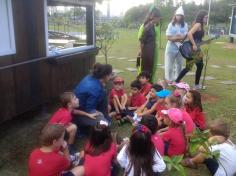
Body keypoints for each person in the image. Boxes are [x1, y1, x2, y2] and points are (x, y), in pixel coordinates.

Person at [176, 10, 208, 90]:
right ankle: (196, 86)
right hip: (194, 49)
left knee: (188, 67)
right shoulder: (198, 24)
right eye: (206, 17)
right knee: (200, 66)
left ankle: (176, 81)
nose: (207, 19)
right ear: (202, 17)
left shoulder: (200, 25)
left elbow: (197, 38)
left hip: (195, 48)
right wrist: (194, 44)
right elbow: (189, 33)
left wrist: (204, 42)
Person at [73, 63, 112, 128]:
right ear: (105, 76)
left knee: (104, 94)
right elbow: (89, 110)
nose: (111, 77)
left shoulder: (90, 77)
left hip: (83, 107)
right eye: (110, 74)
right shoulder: (95, 88)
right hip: (78, 114)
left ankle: (105, 116)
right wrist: (99, 113)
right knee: (105, 124)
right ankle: (103, 120)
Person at [165, 6, 188, 84]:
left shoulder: (185, 25)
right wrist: (178, 37)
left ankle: (177, 79)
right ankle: (169, 79)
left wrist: (175, 37)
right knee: (169, 63)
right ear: (175, 16)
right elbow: (168, 37)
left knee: (179, 64)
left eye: (180, 16)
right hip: (171, 47)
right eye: (177, 15)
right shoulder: (171, 25)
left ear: (182, 17)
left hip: (181, 47)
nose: (178, 17)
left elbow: (185, 36)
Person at [138, 6, 161, 83]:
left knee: (150, 69)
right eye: (158, 18)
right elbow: (142, 40)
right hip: (147, 52)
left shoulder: (152, 26)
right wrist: (141, 51)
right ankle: (143, 84)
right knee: (146, 70)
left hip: (151, 51)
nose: (159, 19)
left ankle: (148, 85)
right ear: (153, 17)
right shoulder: (147, 26)